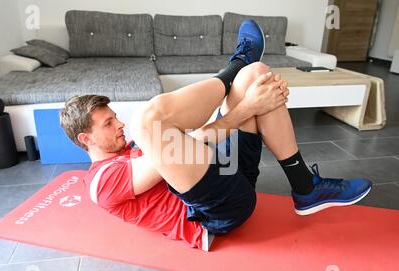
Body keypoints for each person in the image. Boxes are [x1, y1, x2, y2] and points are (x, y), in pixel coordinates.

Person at [59, 20, 372, 251]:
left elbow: (194, 144)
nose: (120, 126)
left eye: (115, 119)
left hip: (228, 170)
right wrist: (243, 110)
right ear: (85, 138)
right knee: (148, 120)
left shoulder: (131, 149)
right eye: (108, 124)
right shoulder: (102, 184)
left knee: (257, 76)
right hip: (216, 212)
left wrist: (250, 104)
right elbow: (191, 146)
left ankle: (305, 186)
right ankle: (235, 65)